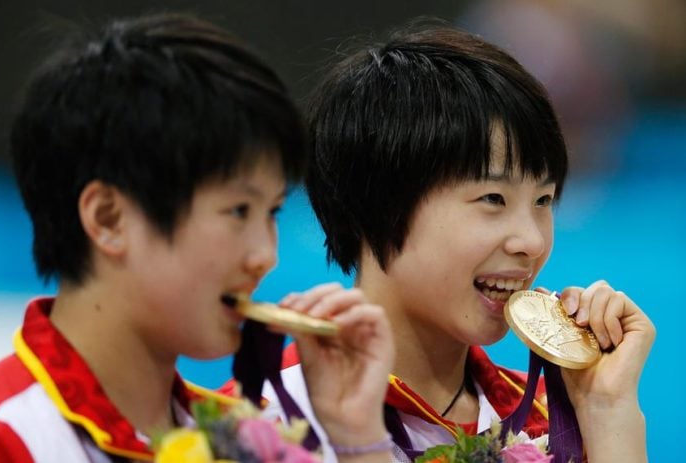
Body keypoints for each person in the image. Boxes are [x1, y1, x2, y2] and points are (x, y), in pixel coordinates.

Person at [0, 13, 395, 463]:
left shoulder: (256, 440)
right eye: (238, 210)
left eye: (273, 212)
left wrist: (358, 438)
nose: (265, 257)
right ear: (108, 219)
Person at [263, 23, 655, 462]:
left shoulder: (556, 418)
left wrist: (610, 410)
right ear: (376, 201)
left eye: (543, 200)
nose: (531, 241)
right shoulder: (266, 425)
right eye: (493, 198)